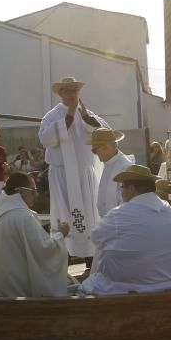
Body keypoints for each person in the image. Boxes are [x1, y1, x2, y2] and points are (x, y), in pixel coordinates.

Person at [79, 165, 171, 295]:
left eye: (122, 187)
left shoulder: (119, 214)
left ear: (131, 189)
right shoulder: (168, 210)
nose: (121, 192)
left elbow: (95, 236)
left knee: (88, 284)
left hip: (129, 290)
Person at [38, 76, 109, 260]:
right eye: (68, 91)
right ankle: (65, 257)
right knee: (65, 215)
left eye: (75, 90)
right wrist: (67, 119)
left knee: (88, 214)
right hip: (63, 175)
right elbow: (45, 139)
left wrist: (86, 118)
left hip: (84, 175)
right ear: (61, 94)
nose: (72, 94)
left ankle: (89, 256)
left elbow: (106, 133)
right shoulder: (51, 116)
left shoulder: (86, 113)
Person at [0, 171, 71, 297]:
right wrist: (60, 234)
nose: (37, 195)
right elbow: (44, 251)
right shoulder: (24, 218)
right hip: (23, 293)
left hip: (1, 291)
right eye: (33, 190)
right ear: (20, 191)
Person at [89, 127, 133, 217]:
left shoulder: (125, 167)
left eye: (94, 150)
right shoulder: (109, 163)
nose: (94, 154)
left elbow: (126, 202)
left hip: (118, 223)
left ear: (105, 147)